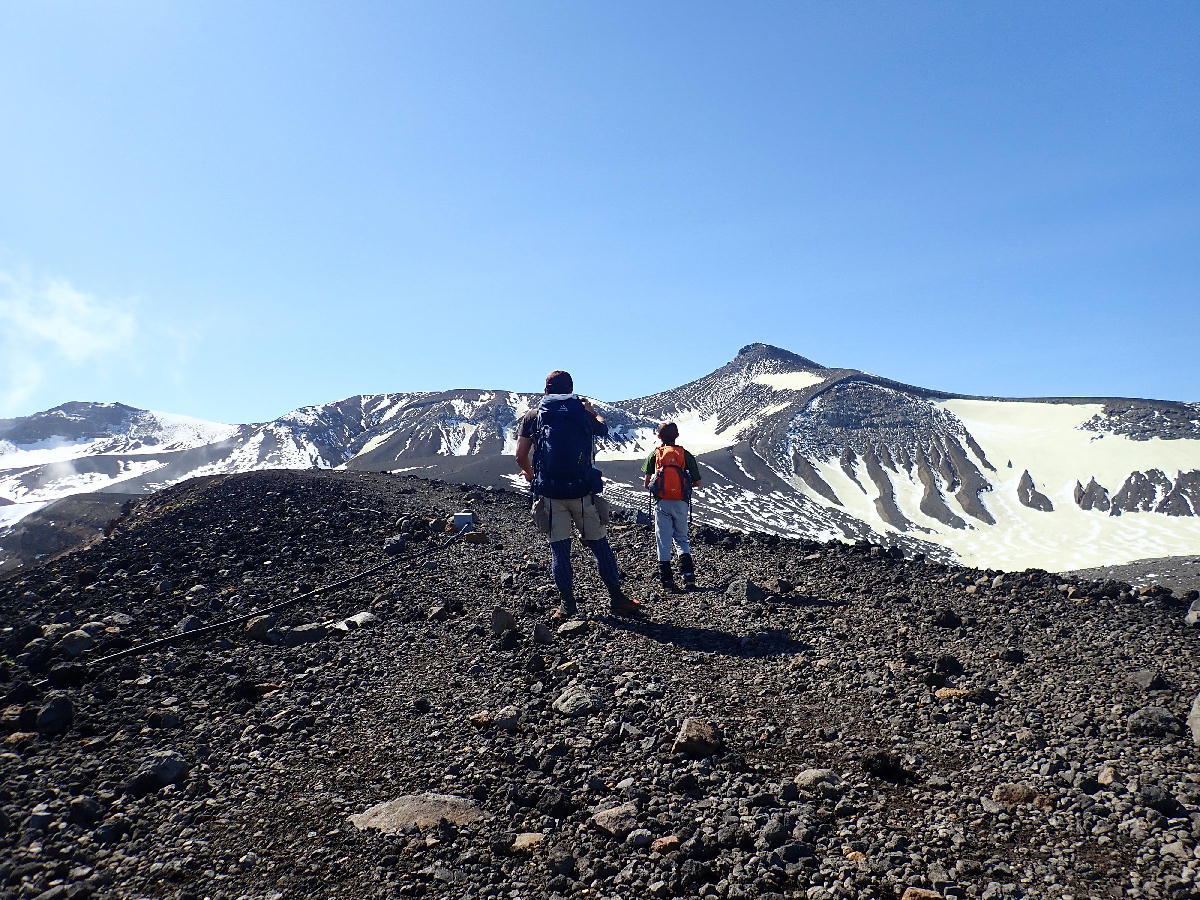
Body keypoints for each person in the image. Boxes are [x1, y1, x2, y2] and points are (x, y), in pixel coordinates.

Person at [515, 370, 640, 620]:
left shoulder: (533, 415)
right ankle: (617, 597)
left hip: (550, 493)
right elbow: (603, 429)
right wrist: (592, 411)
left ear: (546, 389)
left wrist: (531, 476)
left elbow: (520, 456)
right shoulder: (581, 413)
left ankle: (567, 606)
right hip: (582, 491)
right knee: (599, 545)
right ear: (571, 388)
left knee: (559, 551)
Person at [642, 422, 702, 591]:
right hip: (681, 502)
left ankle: (667, 581)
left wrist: (661, 486)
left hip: (661, 502)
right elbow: (697, 481)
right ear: (676, 436)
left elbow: (647, 483)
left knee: (663, 540)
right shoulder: (685, 454)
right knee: (681, 539)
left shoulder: (656, 454)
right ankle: (688, 577)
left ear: (659, 436)